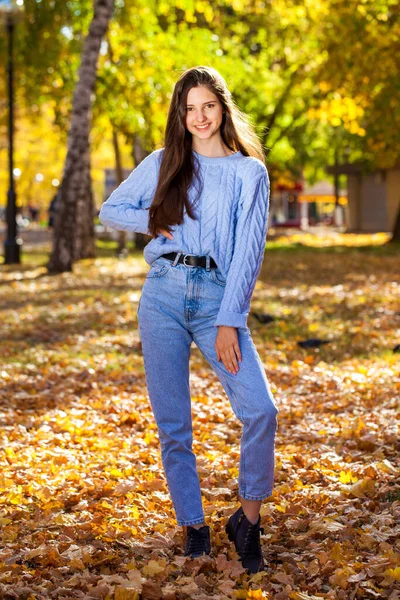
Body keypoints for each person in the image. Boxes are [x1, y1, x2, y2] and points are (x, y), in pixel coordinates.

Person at [98, 66, 278, 574]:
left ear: (223, 109)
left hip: (218, 298)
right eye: (189, 108)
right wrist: (154, 218)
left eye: (208, 106)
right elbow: (109, 210)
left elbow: (249, 252)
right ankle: (194, 524)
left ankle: (247, 520)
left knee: (260, 410)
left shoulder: (249, 173)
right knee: (174, 423)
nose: (199, 117)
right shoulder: (165, 163)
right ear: (181, 114)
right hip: (162, 297)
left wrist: (230, 320)